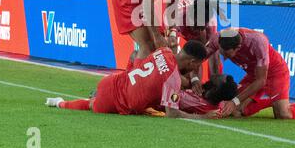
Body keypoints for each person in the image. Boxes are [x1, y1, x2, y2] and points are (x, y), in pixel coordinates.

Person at [46, 41, 222, 119]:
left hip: (113, 81)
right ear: (193, 62)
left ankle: (61, 102)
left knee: (93, 101)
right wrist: (203, 117)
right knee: (92, 105)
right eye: (197, 66)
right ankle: (60, 103)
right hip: (115, 101)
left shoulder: (164, 51)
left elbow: (152, 69)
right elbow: (172, 114)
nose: (195, 70)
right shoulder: (173, 80)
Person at [206, 28, 295, 120]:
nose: (224, 57)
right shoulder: (218, 38)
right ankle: (274, 101)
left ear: (238, 48)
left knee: (283, 114)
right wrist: (193, 79)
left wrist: (234, 101)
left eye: (227, 54)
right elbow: (198, 56)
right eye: (221, 52)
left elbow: (261, 81)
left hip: (275, 72)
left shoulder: (258, 42)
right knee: (235, 112)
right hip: (254, 74)